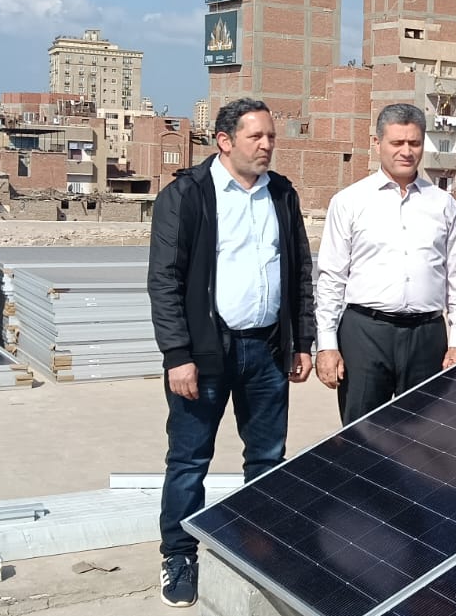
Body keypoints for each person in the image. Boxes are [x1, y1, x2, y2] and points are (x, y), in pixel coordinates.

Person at [147, 97, 316, 608]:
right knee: (189, 460)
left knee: (267, 459)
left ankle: (259, 550)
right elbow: (165, 281)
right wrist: (178, 354)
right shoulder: (187, 195)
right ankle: (179, 556)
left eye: (271, 137)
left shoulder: (280, 193)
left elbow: (299, 271)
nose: (266, 145)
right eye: (255, 137)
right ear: (224, 141)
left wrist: (301, 340)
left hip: (267, 351)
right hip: (205, 355)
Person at [315, 103, 456, 424]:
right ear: (377, 144)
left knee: (424, 434)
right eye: (397, 142)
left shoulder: (443, 204)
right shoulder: (349, 202)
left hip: (427, 336)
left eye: (414, 143)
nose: (406, 151)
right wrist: (326, 344)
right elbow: (331, 278)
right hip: (365, 334)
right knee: (361, 434)